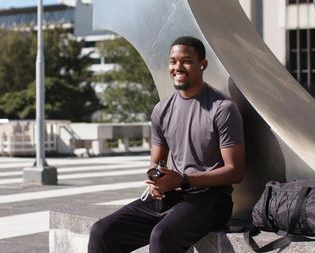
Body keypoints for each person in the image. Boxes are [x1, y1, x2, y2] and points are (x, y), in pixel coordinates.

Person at [88, 36, 245, 253]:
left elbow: (235, 171)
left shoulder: (222, 109)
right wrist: (156, 178)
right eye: (173, 61)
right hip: (174, 195)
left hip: (213, 200)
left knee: (162, 237)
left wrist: (184, 180)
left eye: (186, 61)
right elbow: (156, 161)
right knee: (102, 232)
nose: (177, 67)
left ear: (203, 64)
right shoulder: (162, 110)